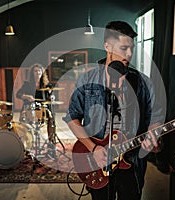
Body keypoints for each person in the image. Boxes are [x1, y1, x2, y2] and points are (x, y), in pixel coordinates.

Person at [63, 21, 165, 200]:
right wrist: (93, 148)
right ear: (107, 46)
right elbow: (72, 117)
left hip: (131, 162)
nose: (129, 54)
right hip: (97, 161)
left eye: (131, 48)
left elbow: (155, 118)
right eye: (124, 48)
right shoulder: (87, 80)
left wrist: (153, 137)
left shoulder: (143, 83)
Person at [16, 63, 56, 155]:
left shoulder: (47, 85)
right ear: (32, 73)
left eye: (39, 71)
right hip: (30, 108)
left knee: (51, 121)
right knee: (22, 123)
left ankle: (51, 146)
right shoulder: (27, 84)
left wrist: (52, 97)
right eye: (35, 71)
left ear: (42, 72)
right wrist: (25, 96)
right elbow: (18, 94)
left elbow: (51, 95)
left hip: (43, 109)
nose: (37, 73)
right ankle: (25, 146)